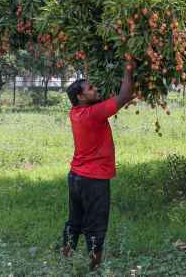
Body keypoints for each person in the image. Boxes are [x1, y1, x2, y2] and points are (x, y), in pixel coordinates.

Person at [60, 65, 135, 270]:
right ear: (81, 97)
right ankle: (94, 269)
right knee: (96, 226)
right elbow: (126, 94)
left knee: (74, 222)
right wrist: (128, 66)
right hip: (93, 180)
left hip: (76, 177)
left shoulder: (76, 113)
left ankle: (64, 263)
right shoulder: (94, 114)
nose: (95, 90)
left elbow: (105, 97)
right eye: (90, 88)